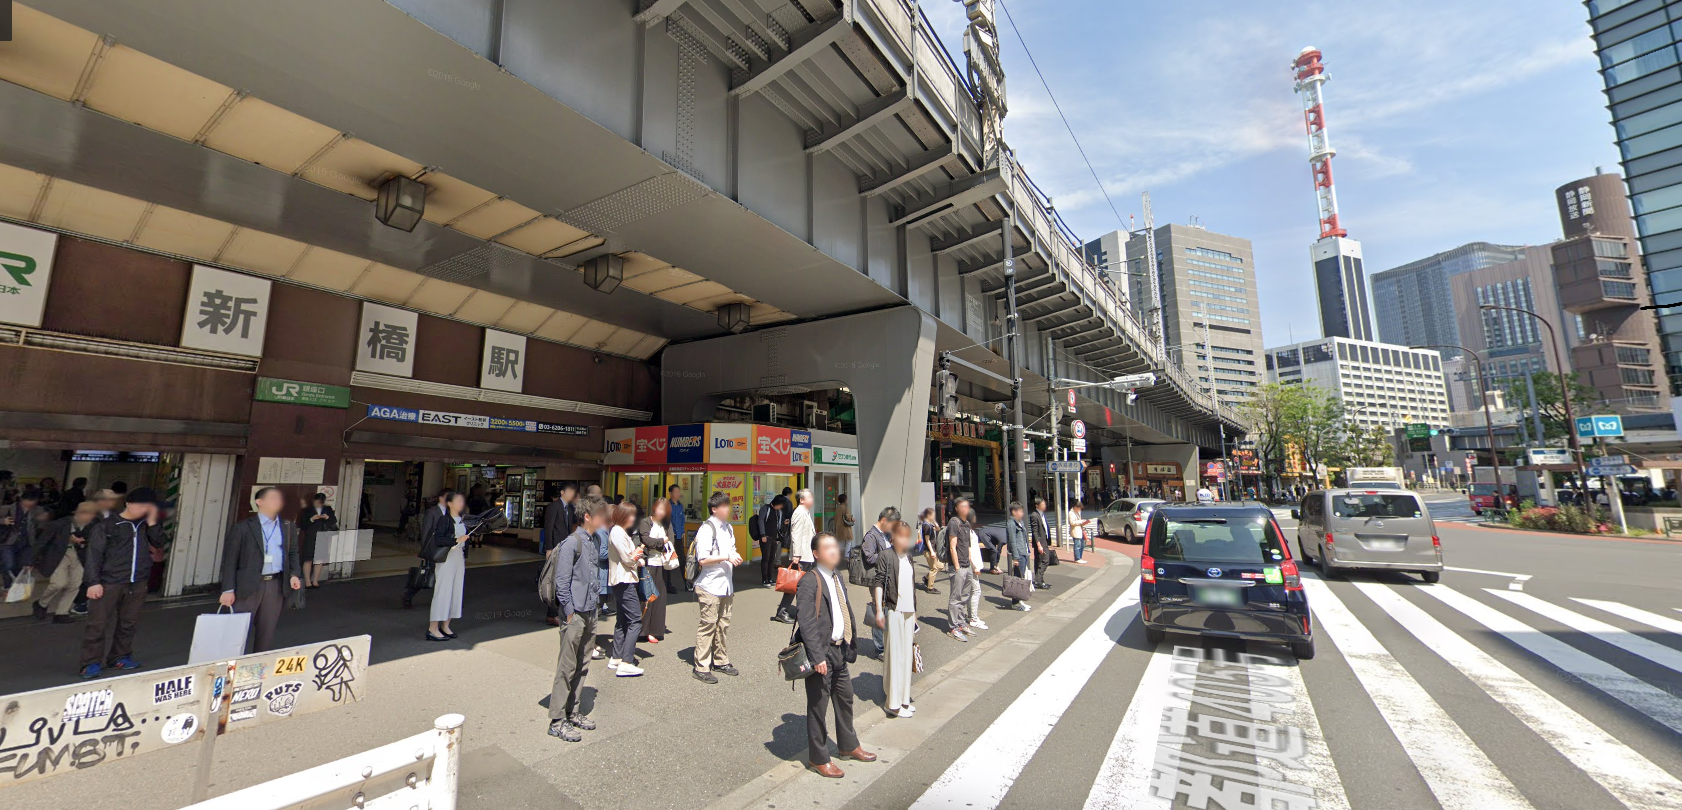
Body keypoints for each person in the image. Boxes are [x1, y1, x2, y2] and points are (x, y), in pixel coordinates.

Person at [796, 532, 876, 777]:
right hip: (822, 652)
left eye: (835, 546)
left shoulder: (837, 576)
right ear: (817, 554)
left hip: (841, 648)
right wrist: (817, 656)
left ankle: (849, 746)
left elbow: (844, 610)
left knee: (845, 699)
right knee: (818, 706)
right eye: (828, 548)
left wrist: (851, 642)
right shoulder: (809, 580)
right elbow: (807, 623)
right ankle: (819, 758)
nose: (834, 551)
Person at [78, 488, 168, 679]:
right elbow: (94, 555)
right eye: (140, 505)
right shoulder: (108, 525)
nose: (143, 509)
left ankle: (120, 657)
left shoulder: (146, 525)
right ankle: (91, 663)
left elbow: (160, 542)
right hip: (109, 581)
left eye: (148, 507)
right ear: (128, 503)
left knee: (129, 622)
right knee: (98, 624)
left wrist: (153, 522)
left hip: (137, 582)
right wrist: (93, 582)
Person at [548, 495, 608, 742]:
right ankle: (556, 720)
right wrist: (570, 611)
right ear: (587, 517)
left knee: (583, 665)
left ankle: (573, 712)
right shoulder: (572, 543)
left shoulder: (593, 540)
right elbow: (562, 582)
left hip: (590, 611)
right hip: (575, 614)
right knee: (567, 666)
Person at [218, 487, 304, 653]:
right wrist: (228, 589)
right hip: (248, 584)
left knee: (267, 630)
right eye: (272, 498)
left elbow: (293, 552)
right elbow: (230, 560)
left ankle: (258, 667)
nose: (277, 501)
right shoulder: (243, 527)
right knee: (238, 630)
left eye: (278, 498)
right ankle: (231, 666)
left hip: (275, 584)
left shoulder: (287, 527)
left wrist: (294, 574)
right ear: (259, 502)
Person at [692, 491, 742, 684]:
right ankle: (701, 666)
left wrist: (734, 555)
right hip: (709, 586)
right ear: (714, 509)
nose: (728, 508)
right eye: (724, 506)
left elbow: (731, 549)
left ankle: (721, 660)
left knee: (723, 624)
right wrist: (726, 557)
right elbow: (702, 559)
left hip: (726, 585)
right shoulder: (706, 529)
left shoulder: (728, 528)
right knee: (708, 624)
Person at [871, 520, 918, 718]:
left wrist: (915, 614)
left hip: (908, 612)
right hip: (893, 610)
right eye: (901, 535)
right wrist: (879, 610)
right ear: (893, 536)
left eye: (907, 536)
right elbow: (879, 582)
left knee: (906, 656)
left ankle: (904, 699)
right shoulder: (886, 555)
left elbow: (912, 587)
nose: (904, 539)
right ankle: (893, 702)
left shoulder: (908, 557)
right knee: (894, 656)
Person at [31, 501, 96, 623]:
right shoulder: (60, 524)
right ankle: (41, 603)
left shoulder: (92, 526)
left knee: (75, 584)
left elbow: (96, 541)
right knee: (58, 583)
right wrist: (31, 561)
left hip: (80, 556)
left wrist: (82, 542)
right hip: (60, 555)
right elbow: (41, 542)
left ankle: (62, 613)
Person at [423, 492, 471, 642]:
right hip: (446, 559)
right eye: (457, 501)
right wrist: (456, 540)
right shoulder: (444, 520)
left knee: (456, 591)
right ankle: (433, 628)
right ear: (449, 503)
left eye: (462, 501)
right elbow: (439, 539)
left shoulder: (463, 520)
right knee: (443, 592)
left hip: (458, 558)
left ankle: (446, 625)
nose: (461, 503)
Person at [605, 503, 645, 676]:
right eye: (630, 516)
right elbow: (628, 559)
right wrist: (638, 555)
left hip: (620, 579)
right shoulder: (618, 532)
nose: (633, 519)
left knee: (622, 619)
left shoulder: (618, 531)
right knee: (635, 619)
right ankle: (626, 661)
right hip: (624, 580)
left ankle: (616, 657)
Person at [859, 506, 898, 655]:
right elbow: (868, 556)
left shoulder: (884, 534)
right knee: (879, 609)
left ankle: (886, 643)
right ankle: (880, 648)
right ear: (883, 520)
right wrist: (887, 556)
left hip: (887, 578)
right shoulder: (871, 536)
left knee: (887, 609)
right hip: (877, 579)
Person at [635, 499, 675, 645]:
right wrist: (661, 542)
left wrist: (660, 542)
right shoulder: (646, 522)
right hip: (648, 564)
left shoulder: (667, 524)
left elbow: (670, 541)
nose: (660, 512)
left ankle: (655, 630)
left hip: (662, 564)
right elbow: (646, 540)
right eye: (658, 509)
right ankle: (642, 630)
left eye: (663, 510)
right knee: (646, 596)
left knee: (660, 597)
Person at [404, 490, 453, 610]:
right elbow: (426, 531)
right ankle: (408, 595)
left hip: (446, 549)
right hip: (434, 549)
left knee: (442, 575)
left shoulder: (451, 513)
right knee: (429, 574)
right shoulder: (432, 512)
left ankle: (444, 601)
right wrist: (425, 550)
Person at [776, 489, 816, 624]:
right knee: (794, 584)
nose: (812, 499)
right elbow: (796, 534)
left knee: (802, 585)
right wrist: (796, 555)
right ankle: (782, 611)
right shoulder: (799, 512)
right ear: (802, 500)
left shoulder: (805, 512)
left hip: (806, 554)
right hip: (802, 555)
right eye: (809, 497)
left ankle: (803, 611)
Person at [542, 483, 579, 625]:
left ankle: (560, 610)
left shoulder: (570, 508)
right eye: (569, 491)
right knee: (554, 581)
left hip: (566, 547)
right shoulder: (554, 507)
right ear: (562, 492)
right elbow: (549, 528)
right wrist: (549, 548)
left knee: (564, 579)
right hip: (556, 548)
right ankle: (551, 613)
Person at [945, 498, 977, 641]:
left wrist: (971, 563)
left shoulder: (967, 524)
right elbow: (953, 546)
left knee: (965, 596)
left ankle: (962, 623)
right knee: (956, 597)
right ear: (956, 508)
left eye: (967, 506)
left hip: (967, 565)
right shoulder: (954, 522)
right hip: (957, 566)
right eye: (962, 506)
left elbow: (968, 546)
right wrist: (957, 566)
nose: (965, 508)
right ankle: (953, 627)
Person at [1, 488, 46, 588]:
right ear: (22, 499)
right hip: (8, 542)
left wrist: (41, 521)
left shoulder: (38, 510)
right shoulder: (7, 508)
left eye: (33, 501)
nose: (30, 503)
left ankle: (16, 586)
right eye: (28, 501)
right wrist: (3, 521)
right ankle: (8, 585)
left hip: (27, 543)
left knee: (22, 566)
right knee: (8, 565)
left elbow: (41, 528)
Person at [297, 492, 336, 589]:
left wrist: (327, 517)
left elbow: (333, 521)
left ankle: (315, 581)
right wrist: (311, 519)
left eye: (320, 502)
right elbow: (302, 524)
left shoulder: (328, 509)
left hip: (323, 535)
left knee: (319, 559)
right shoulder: (307, 510)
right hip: (310, 535)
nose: (318, 504)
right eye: (317, 502)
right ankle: (307, 582)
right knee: (308, 558)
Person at [1005, 501, 1032, 611]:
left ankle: (1019, 600)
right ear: (1014, 512)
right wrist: (1015, 557)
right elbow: (1012, 541)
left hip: (1023, 552)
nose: (1022, 513)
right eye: (1020, 511)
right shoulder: (1011, 524)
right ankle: (1015, 603)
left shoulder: (1020, 522)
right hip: (1019, 554)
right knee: (1017, 579)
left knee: (1021, 578)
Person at [756, 496, 787, 587]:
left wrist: (784, 524)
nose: (780, 507)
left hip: (774, 538)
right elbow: (760, 521)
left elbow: (778, 525)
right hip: (766, 537)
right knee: (765, 558)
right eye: (780, 505)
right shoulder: (765, 508)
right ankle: (764, 579)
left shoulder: (778, 512)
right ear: (776, 503)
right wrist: (763, 535)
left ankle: (769, 578)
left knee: (771, 559)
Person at [666, 483, 689, 593]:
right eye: (676, 492)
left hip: (679, 537)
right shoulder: (666, 505)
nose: (678, 494)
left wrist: (682, 530)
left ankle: (687, 583)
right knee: (668, 560)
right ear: (670, 493)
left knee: (682, 559)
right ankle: (668, 585)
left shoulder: (680, 506)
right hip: (669, 537)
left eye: (678, 492)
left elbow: (682, 520)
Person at [917, 508, 942, 594]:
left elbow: (938, 529)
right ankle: (930, 588)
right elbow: (927, 540)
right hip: (929, 550)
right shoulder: (926, 526)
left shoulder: (929, 524)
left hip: (932, 549)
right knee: (934, 569)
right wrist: (931, 551)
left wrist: (934, 522)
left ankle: (927, 578)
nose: (934, 516)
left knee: (940, 566)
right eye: (933, 515)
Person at [1029, 498, 1052, 590]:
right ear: (1036, 505)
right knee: (1045, 560)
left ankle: (1040, 581)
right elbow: (1034, 531)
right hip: (1040, 542)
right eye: (1042, 504)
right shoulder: (1034, 515)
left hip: (1044, 540)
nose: (1044, 506)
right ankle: (1038, 580)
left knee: (1039, 561)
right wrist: (1039, 544)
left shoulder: (1041, 514)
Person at [1067, 499, 1092, 564]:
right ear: (1075, 507)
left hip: (1080, 530)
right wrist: (1081, 521)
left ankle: (1080, 557)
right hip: (1075, 531)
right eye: (1079, 508)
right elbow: (1072, 522)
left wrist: (1083, 522)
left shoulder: (1076, 512)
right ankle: (1077, 558)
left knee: (1082, 545)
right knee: (1077, 545)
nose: (1079, 509)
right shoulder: (1071, 513)